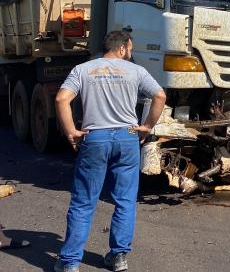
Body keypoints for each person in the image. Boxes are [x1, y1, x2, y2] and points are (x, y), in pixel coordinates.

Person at [54, 31, 166, 272]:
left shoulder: (83, 69)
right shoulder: (136, 71)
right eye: (131, 49)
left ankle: (70, 263)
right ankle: (118, 258)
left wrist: (71, 131)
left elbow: (61, 99)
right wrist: (146, 126)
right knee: (125, 200)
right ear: (123, 48)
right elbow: (159, 95)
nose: (131, 53)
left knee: (84, 202)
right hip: (127, 139)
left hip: (95, 138)